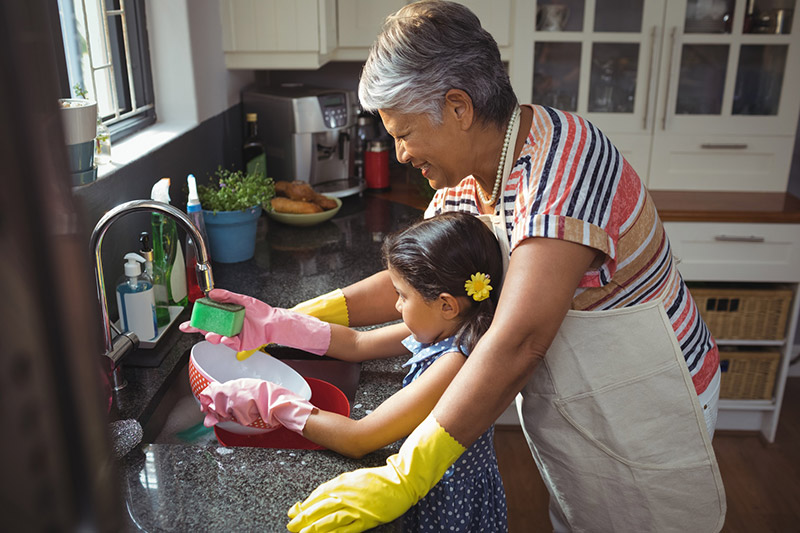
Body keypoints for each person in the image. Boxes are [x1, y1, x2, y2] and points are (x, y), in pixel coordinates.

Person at [269, 2, 728, 532]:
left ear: (458, 108)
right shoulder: (466, 178)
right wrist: (294, 320)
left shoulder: (565, 168)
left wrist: (404, 475)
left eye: (404, 132)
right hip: (574, 395)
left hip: (643, 400)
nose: (398, 154)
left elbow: (520, 340)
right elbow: (417, 279)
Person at [183, 212, 508, 531]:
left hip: (449, 505)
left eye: (402, 296)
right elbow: (357, 344)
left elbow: (359, 438)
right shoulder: (449, 329)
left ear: (447, 304)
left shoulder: (454, 364)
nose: (396, 306)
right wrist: (277, 324)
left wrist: (275, 403)